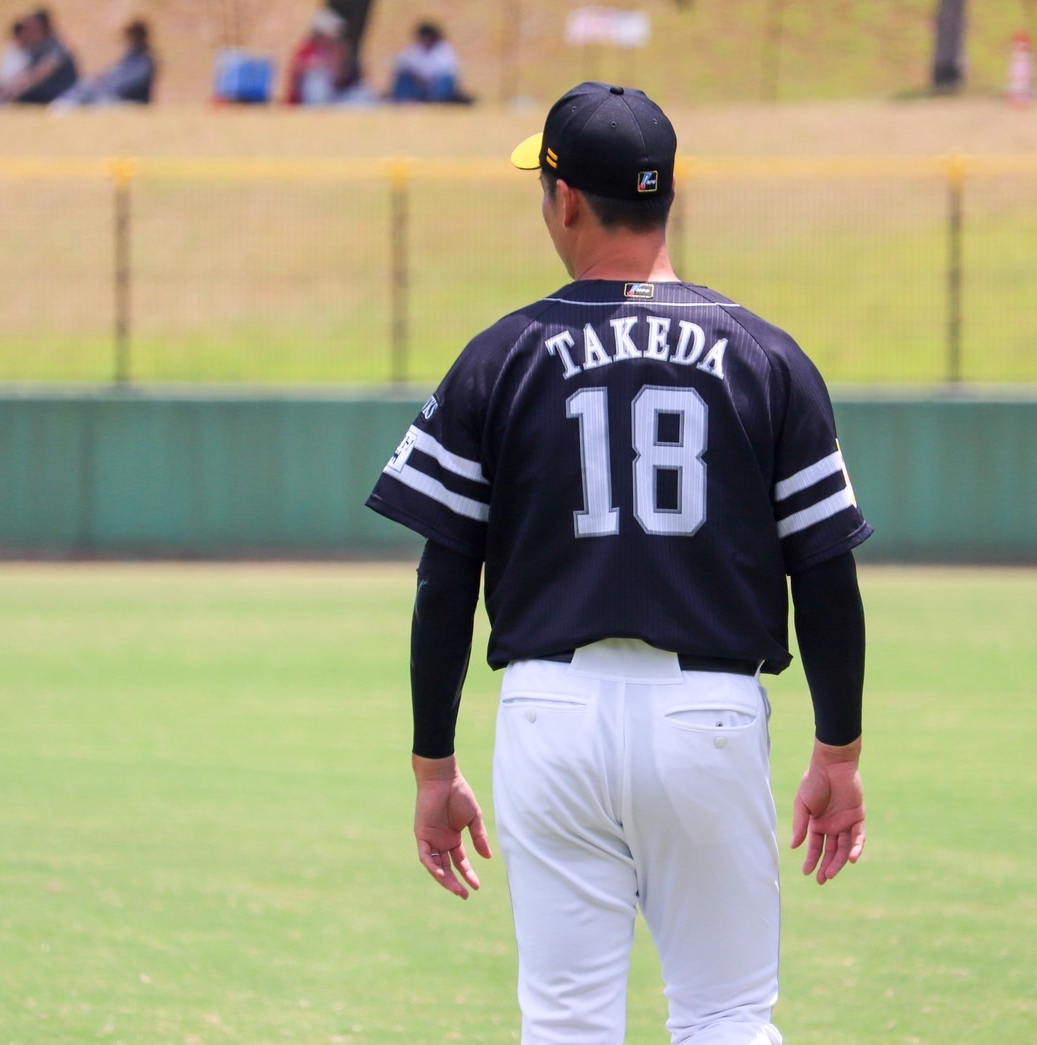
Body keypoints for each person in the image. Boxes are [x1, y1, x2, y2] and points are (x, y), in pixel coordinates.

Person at [366, 82, 871, 1043]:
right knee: (725, 1014)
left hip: (548, 713)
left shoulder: (502, 355)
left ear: (564, 201)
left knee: (565, 1025)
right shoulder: (765, 356)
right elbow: (826, 575)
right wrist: (836, 754)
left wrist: (435, 769)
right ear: (666, 195)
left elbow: (445, 582)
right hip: (708, 716)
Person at [51, 19, 156, 107]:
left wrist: (107, 85)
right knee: (86, 85)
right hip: (115, 96)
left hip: (129, 101)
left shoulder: (145, 61)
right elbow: (114, 73)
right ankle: (64, 103)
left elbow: (127, 83)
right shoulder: (129, 58)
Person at [285, 7, 373, 106]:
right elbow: (298, 72)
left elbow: (341, 78)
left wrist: (340, 61)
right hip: (310, 99)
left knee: (362, 94)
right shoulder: (307, 49)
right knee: (316, 80)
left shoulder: (339, 49)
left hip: (334, 96)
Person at [389, 20, 470, 104]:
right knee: (403, 78)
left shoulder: (444, 49)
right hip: (417, 85)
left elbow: (451, 71)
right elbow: (400, 66)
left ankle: (439, 99)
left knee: (445, 80)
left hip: (436, 84)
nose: (425, 40)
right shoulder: (413, 49)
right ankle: (407, 98)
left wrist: (430, 80)